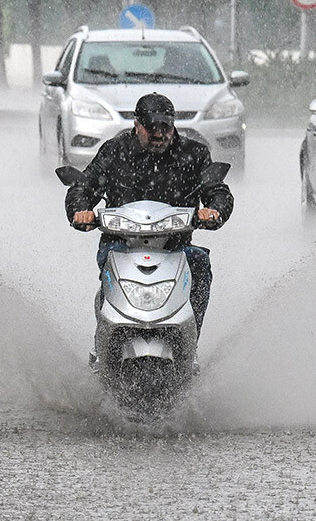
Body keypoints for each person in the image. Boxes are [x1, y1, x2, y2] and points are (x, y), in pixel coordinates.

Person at [65, 93, 234, 346]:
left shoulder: (194, 154)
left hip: (175, 247)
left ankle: (190, 341)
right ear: (136, 124)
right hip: (120, 243)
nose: (158, 134)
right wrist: (81, 210)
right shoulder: (114, 151)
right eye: (151, 127)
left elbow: (217, 191)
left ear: (173, 125)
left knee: (199, 263)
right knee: (110, 261)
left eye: (165, 127)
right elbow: (83, 188)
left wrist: (214, 211)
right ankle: (105, 342)